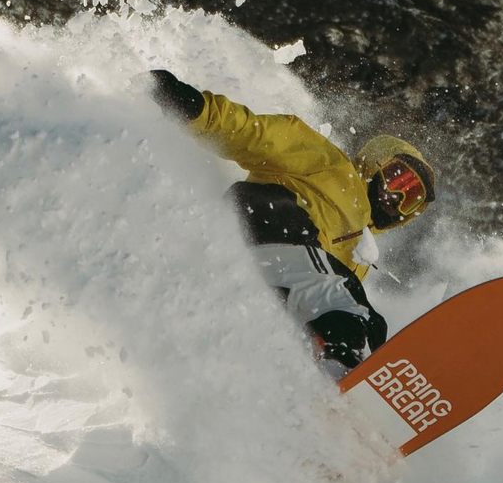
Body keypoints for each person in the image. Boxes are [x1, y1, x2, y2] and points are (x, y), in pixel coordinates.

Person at [144, 70, 438, 378]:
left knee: (335, 319)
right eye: (398, 177)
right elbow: (251, 134)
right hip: (263, 220)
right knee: (347, 305)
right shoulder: (326, 161)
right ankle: (352, 362)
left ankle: (328, 389)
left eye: (411, 197)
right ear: (379, 161)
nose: (396, 195)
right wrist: (193, 107)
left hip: (256, 278)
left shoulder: (359, 258)